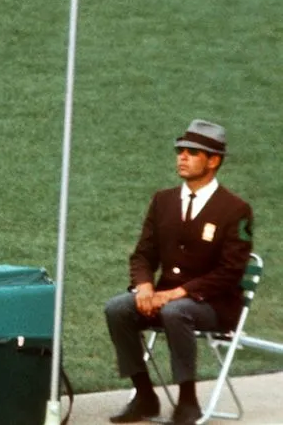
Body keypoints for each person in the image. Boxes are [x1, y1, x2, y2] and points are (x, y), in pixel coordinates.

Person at [104, 119, 254, 425]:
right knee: (117, 308)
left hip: (215, 305)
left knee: (175, 311)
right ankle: (144, 395)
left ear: (213, 161)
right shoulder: (163, 201)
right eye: (180, 150)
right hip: (165, 299)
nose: (182, 157)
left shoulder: (235, 209)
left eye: (192, 152)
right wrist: (144, 287)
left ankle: (188, 402)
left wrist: (175, 293)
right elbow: (143, 254)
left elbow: (230, 271)